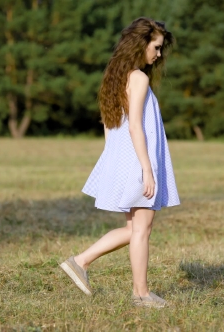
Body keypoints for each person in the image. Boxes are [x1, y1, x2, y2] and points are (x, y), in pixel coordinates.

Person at [60, 17, 179, 308]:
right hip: (138, 160)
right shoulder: (138, 77)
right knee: (142, 227)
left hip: (126, 158)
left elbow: (109, 124)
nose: (159, 54)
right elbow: (135, 126)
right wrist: (147, 169)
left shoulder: (117, 76)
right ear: (142, 44)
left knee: (137, 228)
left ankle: (82, 263)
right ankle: (138, 292)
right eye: (156, 47)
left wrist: (116, 158)